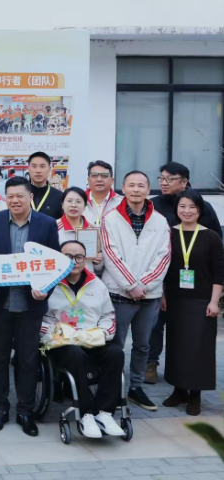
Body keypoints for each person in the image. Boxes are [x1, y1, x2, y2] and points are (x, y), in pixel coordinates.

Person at [0, 176, 60, 437]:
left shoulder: (46, 224)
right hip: (0, 304)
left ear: (31, 198)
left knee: (27, 360)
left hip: (31, 305)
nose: (15, 201)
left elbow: (53, 263)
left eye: (20, 196)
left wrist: (45, 289)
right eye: (10, 196)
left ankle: (25, 411)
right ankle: (0, 408)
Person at [100, 170, 170, 412]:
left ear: (148, 189)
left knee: (142, 345)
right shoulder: (110, 218)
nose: (136, 189)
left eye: (141, 185)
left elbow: (164, 257)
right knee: (115, 345)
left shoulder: (160, 221)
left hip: (149, 296)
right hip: (119, 294)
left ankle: (136, 388)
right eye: (131, 185)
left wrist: (144, 285)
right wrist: (131, 285)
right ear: (123, 188)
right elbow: (110, 255)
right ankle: (113, 388)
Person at [146, 162, 222, 385]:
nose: (164, 183)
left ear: (184, 181)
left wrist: (215, 295)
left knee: (192, 334)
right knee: (157, 325)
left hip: (198, 286)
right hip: (164, 282)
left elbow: (216, 249)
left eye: (169, 179)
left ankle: (192, 381)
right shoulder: (153, 206)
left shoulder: (203, 208)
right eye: (161, 178)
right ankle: (152, 363)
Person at [41, 241, 126, 438]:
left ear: (85, 259)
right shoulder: (48, 285)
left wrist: (102, 334)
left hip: (91, 340)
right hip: (63, 344)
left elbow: (108, 316)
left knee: (116, 353)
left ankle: (104, 413)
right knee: (75, 354)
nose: (74, 261)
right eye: (68, 257)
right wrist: (62, 335)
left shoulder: (97, 284)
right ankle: (86, 414)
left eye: (79, 256)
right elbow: (41, 320)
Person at [160, 189, 223, 416]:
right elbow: (162, 267)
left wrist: (214, 301)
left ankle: (195, 394)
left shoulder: (211, 236)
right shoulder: (168, 234)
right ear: (176, 209)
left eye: (192, 207)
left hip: (201, 300)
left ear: (200, 210)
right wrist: (163, 295)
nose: (187, 211)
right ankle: (179, 390)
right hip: (175, 300)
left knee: (198, 348)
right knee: (176, 346)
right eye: (182, 206)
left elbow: (219, 272)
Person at [58, 187, 103, 272]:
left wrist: (98, 262)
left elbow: (99, 269)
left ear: (85, 206)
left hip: (87, 277)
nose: (73, 205)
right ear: (62, 204)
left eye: (78, 202)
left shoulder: (93, 230)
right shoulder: (53, 228)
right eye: (69, 201)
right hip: (61, 277)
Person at [83, 161, 123, 227]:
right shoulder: (78, 201)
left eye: (104, 175)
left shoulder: (122, 202)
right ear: (88, 180)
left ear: (112, 181)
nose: (99, 179)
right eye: (94, 175)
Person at [27, 151, 63, 219]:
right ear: (28, 168)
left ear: (49, 169)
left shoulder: (59, 197)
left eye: (42, 166)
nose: (38, 171)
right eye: (34, 166)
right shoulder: (19, 195)